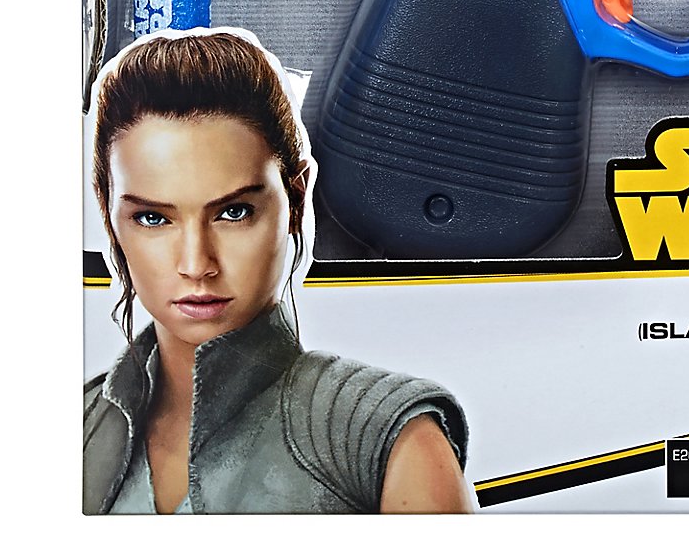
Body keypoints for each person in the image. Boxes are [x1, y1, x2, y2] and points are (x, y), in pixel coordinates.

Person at [83, 29, 472, 514]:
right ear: (110, 216)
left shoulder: (384, 437)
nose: (196, 264)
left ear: (295, 200)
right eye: (153, 218)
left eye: (233, 213)